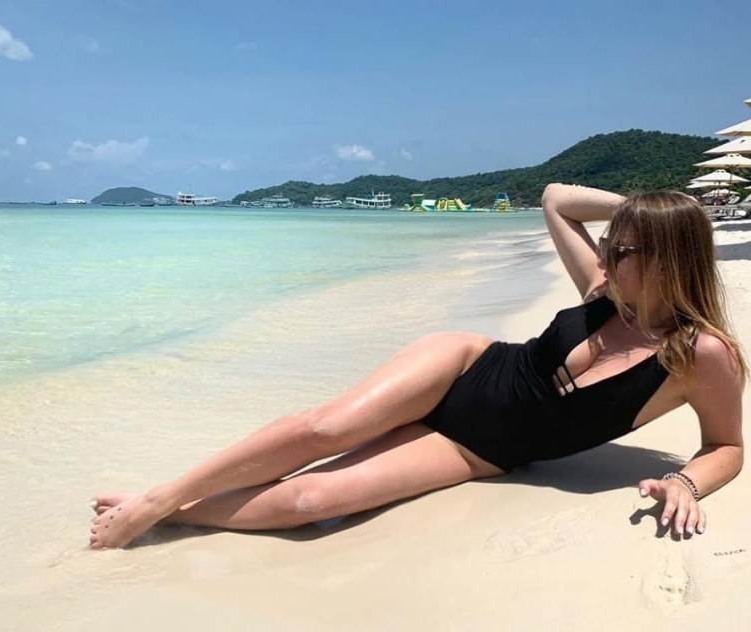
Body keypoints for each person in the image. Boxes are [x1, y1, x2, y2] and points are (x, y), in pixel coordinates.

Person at [89, 183, 745, 549]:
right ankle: (159, 496)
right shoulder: (604, 290)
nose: (606, 251)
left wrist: (686, 484)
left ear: (667, 256)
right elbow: (555, 199)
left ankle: (174, 515)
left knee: (312, 501)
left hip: (480, 450)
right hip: (460, 368)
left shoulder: (702, 354)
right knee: (323, 431)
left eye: (623, 247)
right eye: (611, 240)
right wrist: (647, 209)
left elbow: (725, 446)